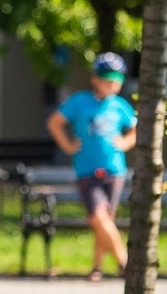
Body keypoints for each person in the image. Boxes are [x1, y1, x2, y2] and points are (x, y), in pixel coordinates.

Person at [47, 51, 138, 281]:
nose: (112, 84)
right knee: (98, 217)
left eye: (117, 79)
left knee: (105, 219)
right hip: (87, 170)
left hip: (115, 170)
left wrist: (125, 143)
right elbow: (55, 123)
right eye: (107, 79)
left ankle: (97, 268)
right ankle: (125, 261)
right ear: (95, 79)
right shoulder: (80, 101)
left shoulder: (120, 106)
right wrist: (67, 145)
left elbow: (136, 130)